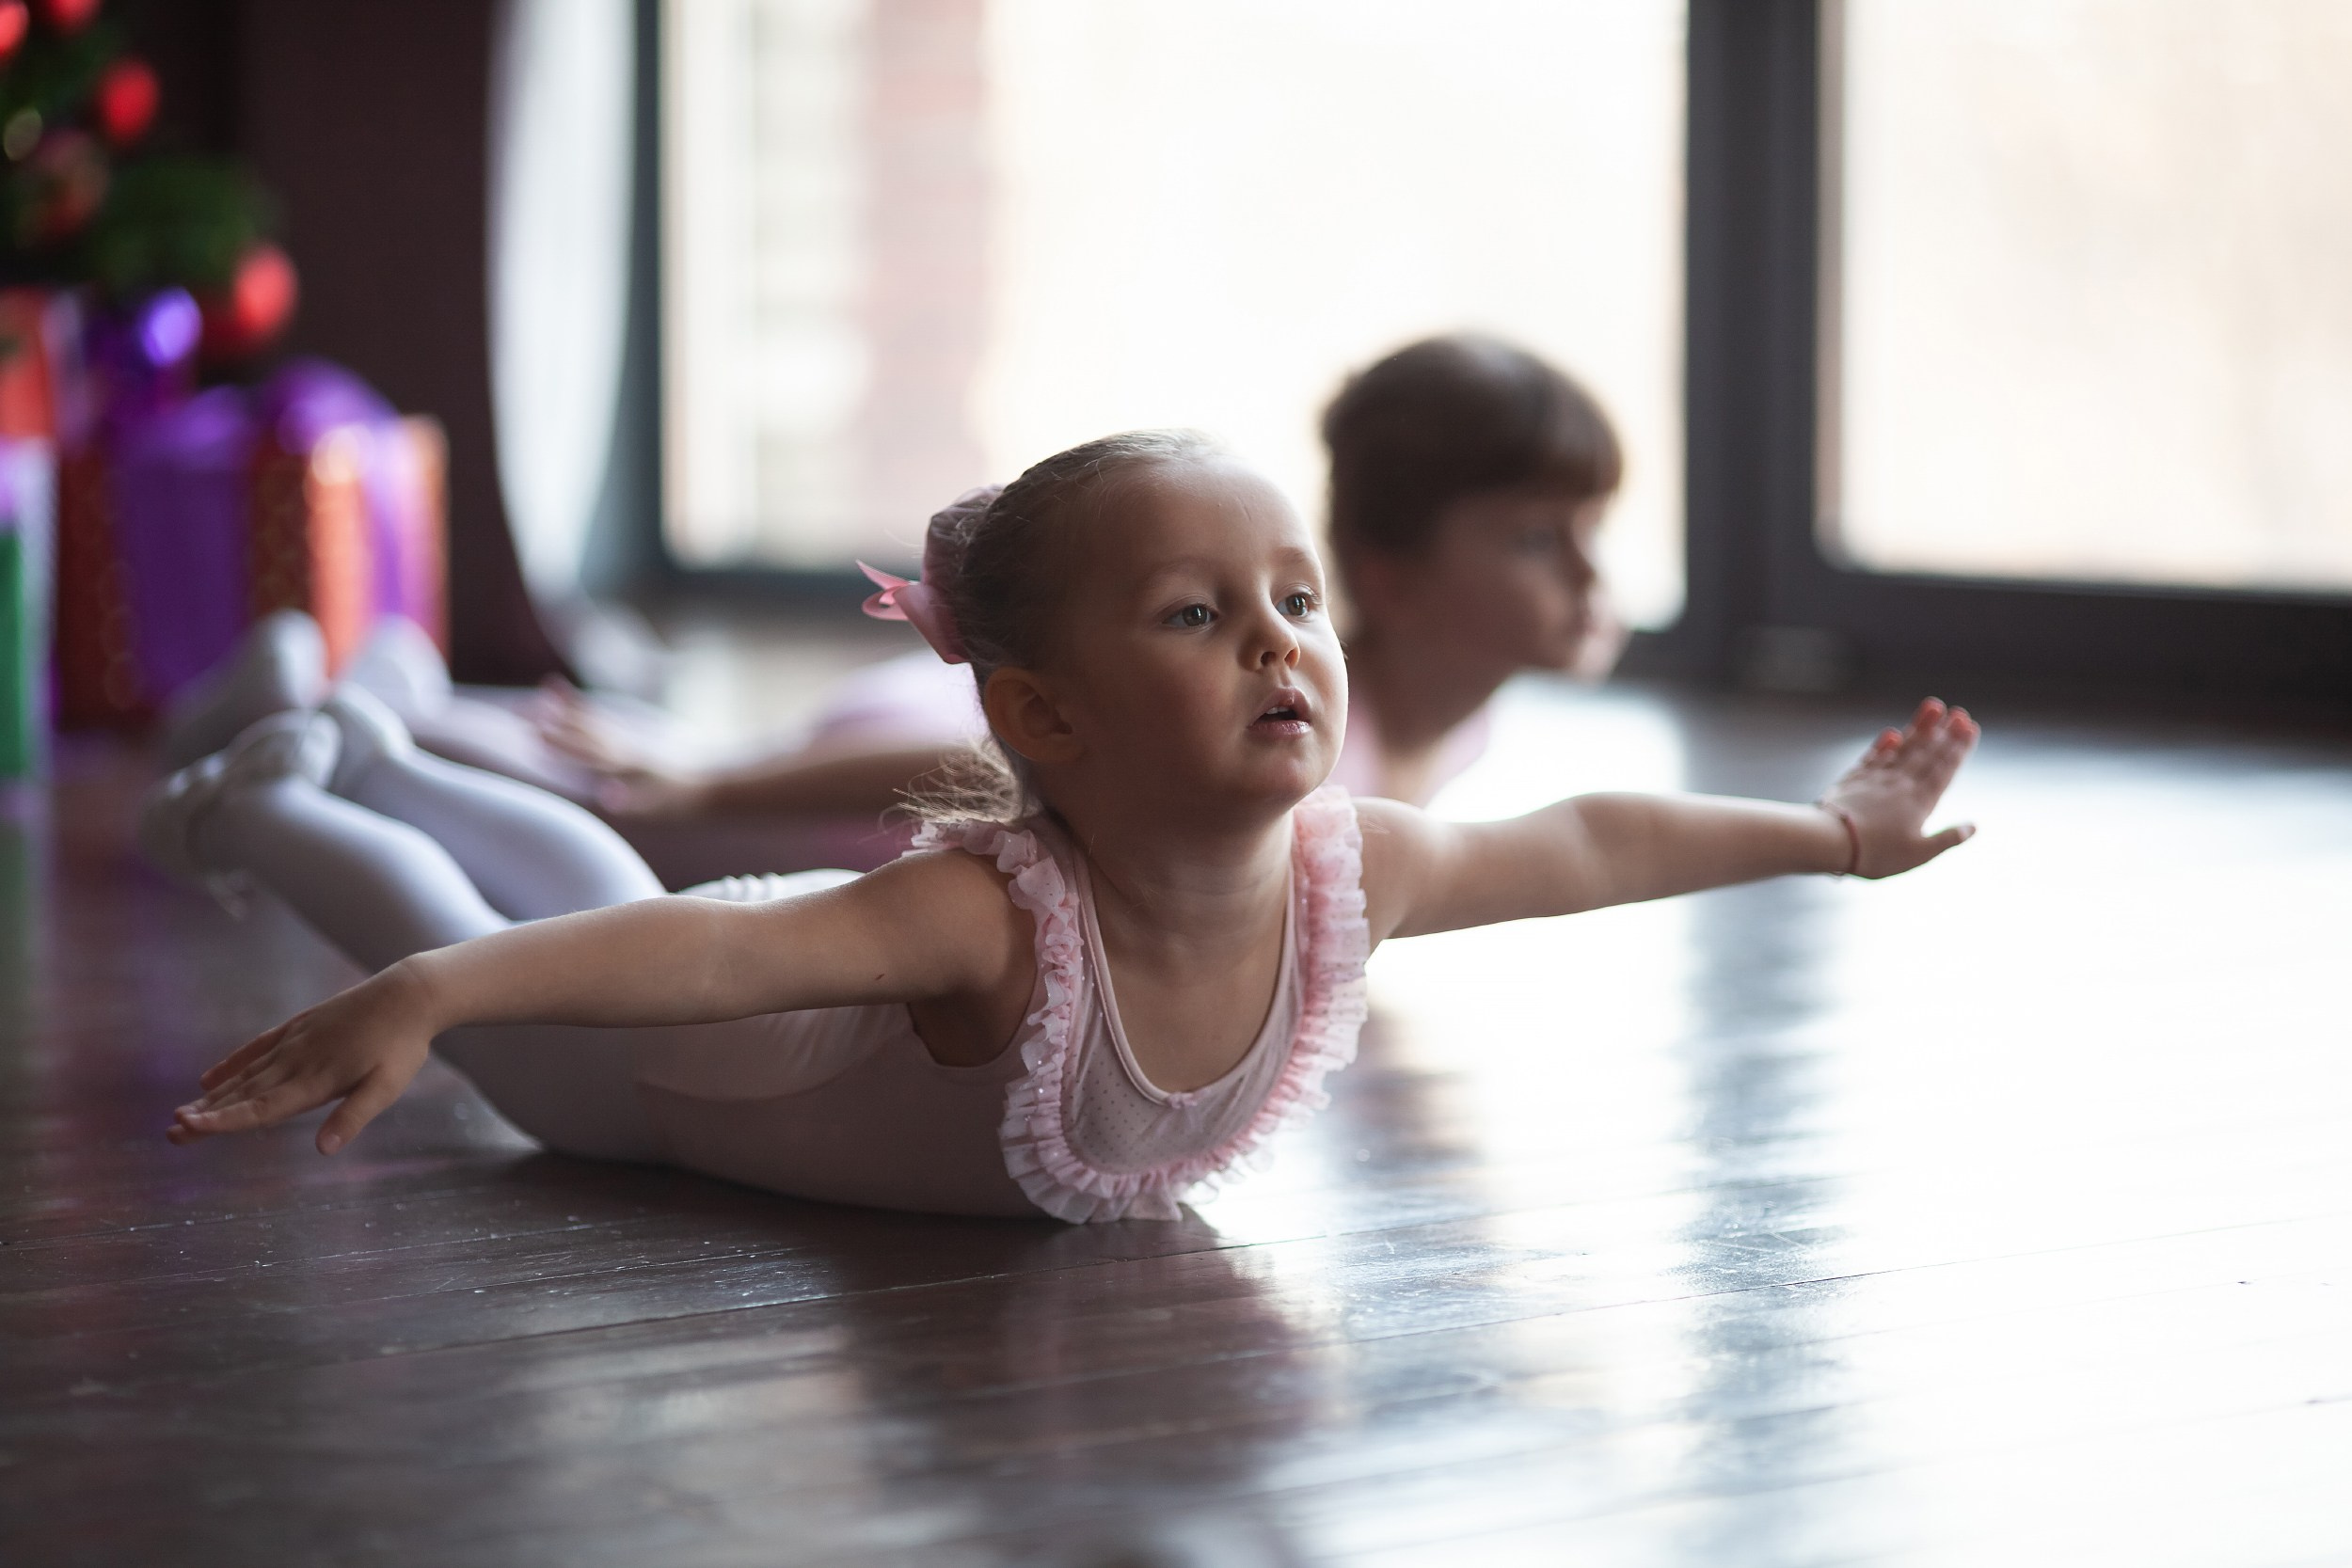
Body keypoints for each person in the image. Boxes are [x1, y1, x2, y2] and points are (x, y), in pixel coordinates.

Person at [144, 430, 1979, 1224]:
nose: (1273, 641)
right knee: (496, 942)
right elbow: (700, 950)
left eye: (1292, 601)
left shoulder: (1355, 865)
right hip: (657, 1095)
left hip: (758, 1012)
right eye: (1196, 616)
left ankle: (366, 741)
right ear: (1040, 715)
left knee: (580, 868)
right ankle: (291, 801)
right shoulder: (994, 926)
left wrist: (1826, 832)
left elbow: (1585, 843)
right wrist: (440, 1000)